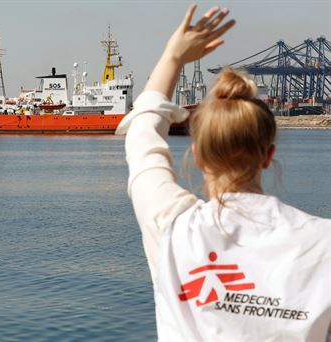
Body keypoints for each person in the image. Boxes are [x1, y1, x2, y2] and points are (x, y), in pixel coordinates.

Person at [115, 5, 330, 341]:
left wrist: (173, 56)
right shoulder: (324, 243)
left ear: (198, 155)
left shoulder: (173, 228)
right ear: (268, 156)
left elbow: (143, 133)